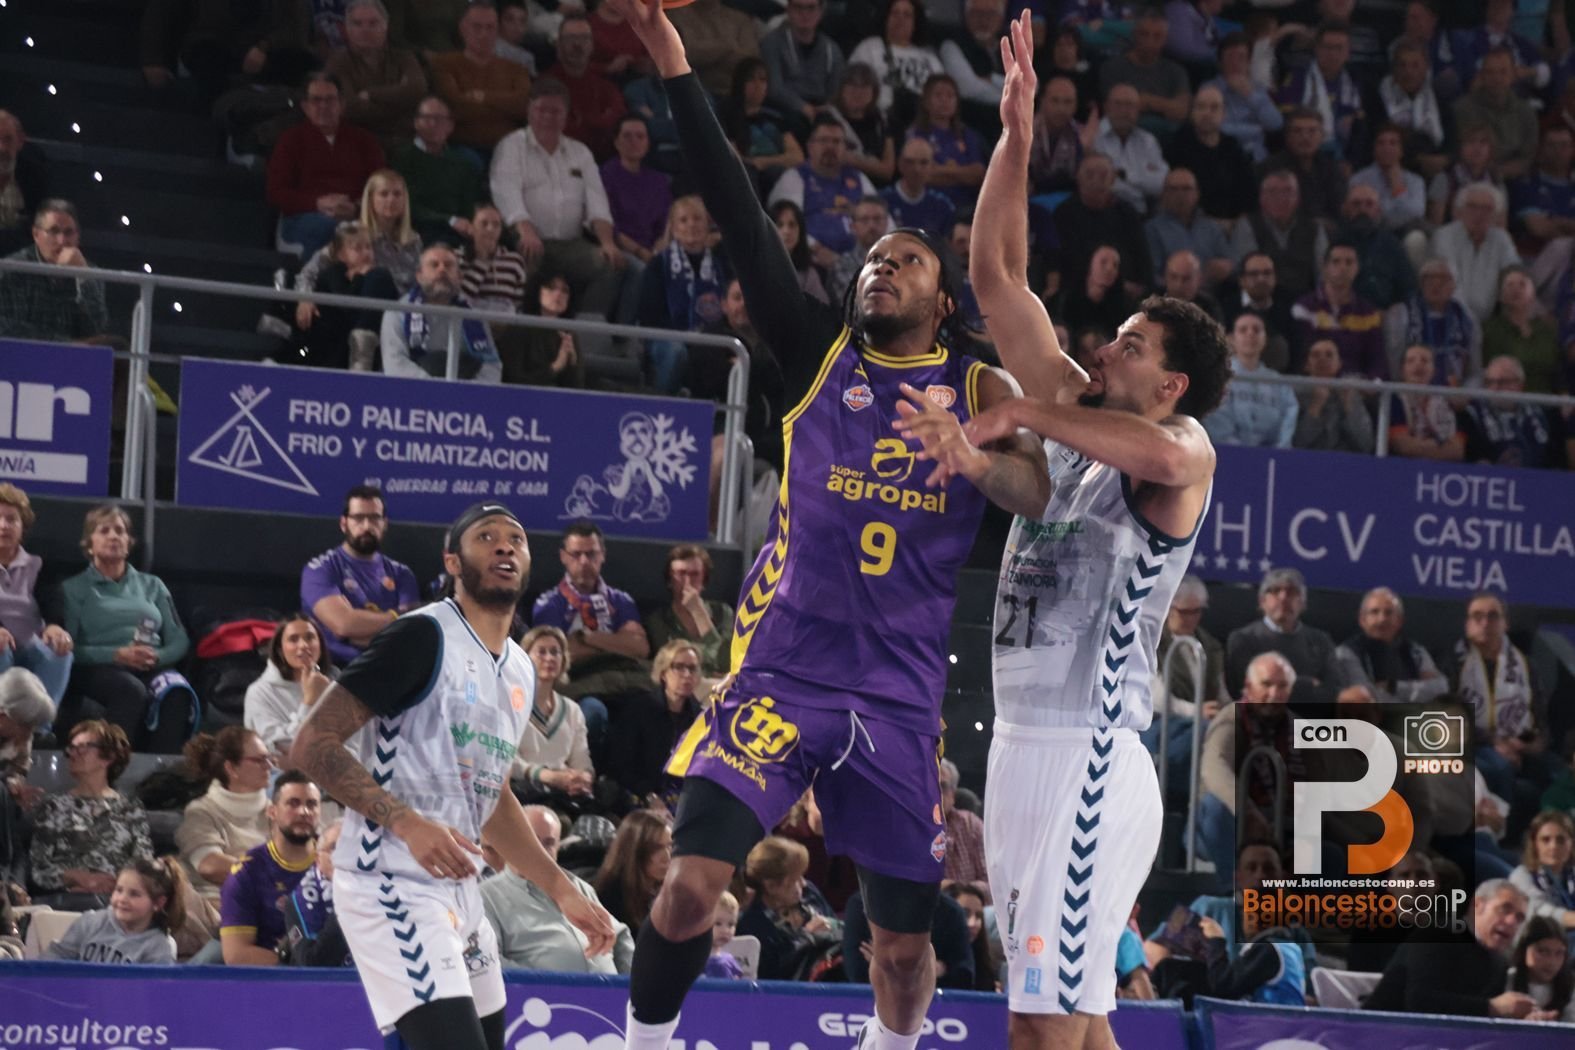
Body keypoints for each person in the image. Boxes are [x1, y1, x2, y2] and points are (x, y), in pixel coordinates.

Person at [609, 5, 1041, 1049]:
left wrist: (973, 460)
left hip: (897, 697)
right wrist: (671, 60)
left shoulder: (976, 382)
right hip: (781, 673)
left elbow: (1036, 491)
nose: (881, 268)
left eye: (907, 261)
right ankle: (640, 1044)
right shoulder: (817, 353)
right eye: (872, 260)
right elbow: (738, 207)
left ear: (943, 302)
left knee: (902, 949)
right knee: (690, 888)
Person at [897, 17, 1227, 1044]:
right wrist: (1015, 137)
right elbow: (997, 277)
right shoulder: (1078, 408)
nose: (1108, 347)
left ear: (1168, 383)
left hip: (1091, 755)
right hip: (1020, 749)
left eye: (1131, 345)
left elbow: (1161, 461)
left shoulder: (1182, 447)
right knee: (1070, 1026)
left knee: (1042, 1030)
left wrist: (1021, 412)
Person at [288, 502, 615, 1049]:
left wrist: (561, 888)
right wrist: (407, 823)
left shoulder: (519, 667)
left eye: (516, 538)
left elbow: (493, 796)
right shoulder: (421, 636)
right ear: (453, 563)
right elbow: (312, 744)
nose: (505, 545)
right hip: (389, 880)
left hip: (462, 890)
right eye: (486, 537)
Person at [58, 505, 195, 754]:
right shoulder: (73, 589)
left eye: (120, 531)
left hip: (150, 664)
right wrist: (116, 655)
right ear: (89, 544)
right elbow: (70, 648)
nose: (113, 536)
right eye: (104, 531)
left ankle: (160, 771)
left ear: (129, 543)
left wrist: (155, 657)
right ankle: (110, 765)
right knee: (130, 690)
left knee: (176, 691)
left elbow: (179, 639)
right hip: (97, 667)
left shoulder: (153, 585)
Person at [489, 78, 626, 317]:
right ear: (529, 110)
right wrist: (526, 231)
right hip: (525, 237)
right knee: (526, 261)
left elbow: (597, 202)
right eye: (542, 109)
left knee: (610, 264)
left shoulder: (580, 152)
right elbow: (506, 193)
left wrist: (607, 242)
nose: (548, 117)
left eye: (555, 111)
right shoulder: (511, 146)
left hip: (571, 242)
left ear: (566, 115)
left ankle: (586, 330)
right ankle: (523, 328)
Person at [481, 806, 634, 973]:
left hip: (608, 988)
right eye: (532, 841)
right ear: (512, 842)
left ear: (558, 847)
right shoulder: (487, 896)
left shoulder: (579, 886)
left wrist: (630, 984)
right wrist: (546, 984)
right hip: (541, 990)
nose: (540, 851)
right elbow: (490, 960)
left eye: (549, 843)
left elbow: (619, 936)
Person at [1365, 880, 1544, 1018]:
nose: (1512, 922)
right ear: (1477, 905)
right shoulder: (1437, 935)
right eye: (1504, 909)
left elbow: (1481, 1018)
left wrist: (1520, 1020)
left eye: (1519, 918)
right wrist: (1492, 1007)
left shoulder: (1499, 962)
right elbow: (1419, 1002)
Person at [28, 720, 153, 908]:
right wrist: (78, 878)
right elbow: (38, 868)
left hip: (117, 900)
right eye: (71, 748)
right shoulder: (53, 806)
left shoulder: (131, 808)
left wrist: (115, 884)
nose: (72, 754)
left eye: (82, 748)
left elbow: (143, 863)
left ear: (108, 757)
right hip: (66, 899)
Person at [1196, 653, 1295, 880]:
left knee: (1331, 851)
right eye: (1266, 685)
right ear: (1249, 687)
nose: (1274, 694)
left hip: (1279, 821)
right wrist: (1247, 811)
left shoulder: (1295, 726)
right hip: (1229, 823)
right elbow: (1214, 769)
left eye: (1282, 686)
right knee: (1215, 807)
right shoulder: (1231, 718)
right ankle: (1231, 890)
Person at [267, 73, 387, 259]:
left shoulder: (365, 141)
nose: (323, 106)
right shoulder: (290, 140)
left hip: (357, 216)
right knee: (333, 229)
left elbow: (380, 187)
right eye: (316, 100)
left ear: (342, 104)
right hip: (304, 217)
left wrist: (355, 207)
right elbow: (276, 192)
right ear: (305, 107)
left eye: (330, 100)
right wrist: (318, 204)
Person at [301, 485, 421, 669]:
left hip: (389, 667)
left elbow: (409, 632)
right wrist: (396, 616)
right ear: (344, 524)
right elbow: (344, 624)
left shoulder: (402, 574)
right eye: (358, 518)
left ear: (384, 523)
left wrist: (358, 630)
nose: (367, 526)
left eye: (374, 518)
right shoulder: (320, 569)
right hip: (335, 670)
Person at [531, 522, 651, 703]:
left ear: (602, 555)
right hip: (579, 682)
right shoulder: (549, 603)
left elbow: (639, 648)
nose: (584, 561)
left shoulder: (621, 600)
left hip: (625, 680)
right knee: (593, 709)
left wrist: (586, 637)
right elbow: (556, 654)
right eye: (576, 554)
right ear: (563, 556)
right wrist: (615, 643)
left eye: (591, 554)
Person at [217, 771, 321, 965]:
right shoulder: (247, 872)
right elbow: (237, 954)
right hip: (273, 976)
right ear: (272, 811)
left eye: (312, 804)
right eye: (293, 803)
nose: (304, 812)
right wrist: (303, 972)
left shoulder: (338, 865)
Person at [638, 194, 730, 393]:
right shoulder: (659, 265)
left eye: (697, 218)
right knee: (676, 351)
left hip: (708, 338)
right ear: (673, 228)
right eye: (683, 220)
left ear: (707, 225)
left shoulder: (720, 265)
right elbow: (649, 316)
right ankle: (662, 405)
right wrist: (687, 335)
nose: (691, 225)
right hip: (665, 337)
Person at [1147, 575, 1224, 798]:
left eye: (1197, 611)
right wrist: (1196, 711)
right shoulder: (1153, 642)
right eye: (1184, 612)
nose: (1191, 618)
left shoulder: (1210, 645)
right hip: (1162, 724)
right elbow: (1156, 698)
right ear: (1169, 608)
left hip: (1202, 721)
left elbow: (1221, 690)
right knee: (1208, 733)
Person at [176, 727, 272, 904]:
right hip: (214, 902)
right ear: (231, 768)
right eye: (260, 760)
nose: (269, 766)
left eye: (269, 758)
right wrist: (272, 876)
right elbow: (210, 866)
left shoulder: (276, 811)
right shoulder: (202, 811)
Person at [381, 242, 502, 381]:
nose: (442, 270)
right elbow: (395, 364)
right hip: (414, 391)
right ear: (419, 276)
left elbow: (492, 366)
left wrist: (467, 389)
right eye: (434, 265)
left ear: (459, 277)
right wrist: (438, 389)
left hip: (466, 390)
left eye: (448, 265)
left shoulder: (474, 317)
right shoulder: (398, 313)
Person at [769, 114, 881, 263]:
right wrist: (816, 249)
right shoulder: (795, 177)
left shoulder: (858, 178)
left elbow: (883, 220)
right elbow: (785, 226)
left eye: (836, 141)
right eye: (823, 140)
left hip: (860, 260)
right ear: (810, 147)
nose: (830, 147)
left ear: (845, 148)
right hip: (811, 259)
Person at [607, 640, 705, 804]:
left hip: (683, 797)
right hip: (640, 793)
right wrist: (649, 796)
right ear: (663, 673)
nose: (687, 674)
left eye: (692, 668)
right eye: (679, 667)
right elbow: (620, 765)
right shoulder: (639, 708)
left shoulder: (701, 718)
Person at [0, 484, 73, 703]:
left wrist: (54, 626)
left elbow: (52, 600)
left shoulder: (38, 564)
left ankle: (42, 721)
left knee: (60, 650)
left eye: (12, 519)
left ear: (23, 527)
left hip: (30, 645)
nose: (3, 526)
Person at [429, 3, 533, 154]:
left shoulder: (517, 69)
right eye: (477, 27)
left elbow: (524, 106)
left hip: (509, 147)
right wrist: (506, 105)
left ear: (497, 30)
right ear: (463, 29)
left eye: (490, 27)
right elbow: (455, 108)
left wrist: (482, 96)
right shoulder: (444, 64)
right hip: (462, 146)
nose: (484, 34)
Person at [0, 200, 110, 341]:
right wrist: (63, 343)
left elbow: (96, 329)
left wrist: (83, 276)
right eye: (53, 231)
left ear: (78, 236)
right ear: (36, 234)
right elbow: (6, 328)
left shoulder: (90, 271)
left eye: (69, 232)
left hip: (74, 355)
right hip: (22, 353)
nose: (62, 241)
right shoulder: (11, 270)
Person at [44, 856, 185, 964]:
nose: (122, 899)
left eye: (134, 894)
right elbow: (56, 957)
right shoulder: (90, 922)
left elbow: (153, 989)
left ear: (158, 903)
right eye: (119, 890)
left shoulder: (160, 946)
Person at [737, 834, 841, 980]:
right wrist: (808, 938)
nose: (803, 883)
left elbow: (842, 930)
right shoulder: (751, 926)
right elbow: (771, 975)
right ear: (771, 886)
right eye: (795, 880)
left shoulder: (809, 893)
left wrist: (832, 925)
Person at [1050, 152, 1151, 300]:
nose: (1096, 181)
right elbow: (1061, 261)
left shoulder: (1127, 213)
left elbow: (1142, 258)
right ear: (1078, 177)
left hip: (1125, 293)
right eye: (1089, 175)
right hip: (1078, 292)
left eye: (1103, 175)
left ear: (1113, 179)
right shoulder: (1064, 214)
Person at [1223, 567, 1336, 699]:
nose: (1283, 598)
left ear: (1303, 603)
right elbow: (1247, 689)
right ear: (1262, 601)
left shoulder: (1321, 640)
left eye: (1292, 592)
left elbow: (1333, 690)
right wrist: (1309, 684)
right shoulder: (1243, 639)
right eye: (1275, 591)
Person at [327, 0, 428, 147]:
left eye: (373, 23)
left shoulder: (404, 58)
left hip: (406, 140)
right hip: (360, 142)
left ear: (385, 26)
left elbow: (418, 89)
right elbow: (349, 108)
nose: (365, 29)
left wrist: (370, 93)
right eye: (357, 24)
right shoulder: (337, 62)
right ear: (347, 29)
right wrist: (402, 102)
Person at [513, 626, 595, 802]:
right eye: (541, 652)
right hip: (521, 794)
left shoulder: (572, 710)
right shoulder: (510, 703)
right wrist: (546, 776)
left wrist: (583, 777)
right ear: (525, 657)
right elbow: (504, 759)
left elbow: (581, 759)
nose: (549, 658)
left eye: (555, 652)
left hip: (563, 795)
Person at [390, 96, 484, 249]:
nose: (433, 124)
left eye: (439, 119)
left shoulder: (463, 164)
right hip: (418, 229)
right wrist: (449, 220)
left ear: (450, 126)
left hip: (459, 231)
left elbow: (468, 205)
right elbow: (407, 205)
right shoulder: (402, 159)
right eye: (427, 118)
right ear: (416, 123)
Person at [1331, 588, 1448, 704]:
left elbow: (1441, 688)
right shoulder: (1347, 653)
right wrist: (1418, 694)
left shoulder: (1415, 652)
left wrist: (1394, 687)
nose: (1382, 619)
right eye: (1374, 612)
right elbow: (1366, 698)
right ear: (1362, 620)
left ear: (1400, 621)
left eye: (1389, 613)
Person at [1292, 243, 1387, 379]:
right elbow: (1301, 356)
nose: (1343, 268)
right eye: (1336, 262)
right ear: (1325, 267)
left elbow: (1377, 361)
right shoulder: (1304, 307)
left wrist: (1371, 384)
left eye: (1349, 262)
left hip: (1356, 384)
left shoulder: (1368, 314)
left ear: (1357, 268)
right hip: (1314, 382)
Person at [642, 545, 736, 682]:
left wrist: (698, 612)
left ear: (704, 580)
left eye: (695, 574)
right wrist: (708, 670)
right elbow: (670, 663)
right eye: (681, 574)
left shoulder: (722, 612)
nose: (688, 581)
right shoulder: (658, 619)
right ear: (670, 581)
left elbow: (725, 662)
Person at [1227, 170, 1327, 299]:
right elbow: (1245, 274)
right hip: (1262, 300)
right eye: (1272, 192)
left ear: (1298, 198)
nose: (1281, 198)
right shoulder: (1248, 225)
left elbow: (1324, 275)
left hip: (1304, 302)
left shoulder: (1314, 229)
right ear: (1261, 198)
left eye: (1288, 191)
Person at [1430, 183, 1522, 323]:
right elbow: (1450, 283)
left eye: (1487, 209)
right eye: (1472, 206)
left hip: (1489, 321)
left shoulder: (1501, 238)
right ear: (1459, 211)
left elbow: (1515, 272)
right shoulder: (1444, 236)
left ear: (1496, 215)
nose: (1479, 214)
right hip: (1449, 317)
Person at [244, 615, 335, 757]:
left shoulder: (335, 682)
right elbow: (278, 749)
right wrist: (310, 702)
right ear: (280, 650)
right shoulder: (259, 693)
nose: (303, 645)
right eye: (293, 639)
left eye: (310, 637)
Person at [1461, 355, 1572, 469]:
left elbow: (1554, 459)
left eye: (1502, 382)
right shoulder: (1472, 415)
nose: (1495, 388)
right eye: (1490, 382)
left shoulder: (1543, 414)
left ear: (1520, 384)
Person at [1276, 22, 1366, 163]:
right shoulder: (1298, 78)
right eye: (1327, 47)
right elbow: (1287, 124)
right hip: (1303, 155)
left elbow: (1359, 129)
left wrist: (1350, 162)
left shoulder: (1354, 80)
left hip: (1344, 155)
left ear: (1348, 53)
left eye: (1339, 48)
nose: (1333, 54)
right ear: (1317, 49)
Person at [1204, 311, 1296, 447]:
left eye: (1256, 330)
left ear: (1265, 338)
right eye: (1243, 330)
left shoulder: (1279, 383)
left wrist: (1278, 450)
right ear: (1232, 339)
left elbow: (1288, 421)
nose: (1250, 334)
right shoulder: (1218, 377)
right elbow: (1215, 420)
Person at [1163, 86, 1253, 224]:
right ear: (1192, 113)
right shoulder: (1177, 145)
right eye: (1201, 107)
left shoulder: (1232, 147)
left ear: (1224, 114)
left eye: (1214, 108)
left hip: (1233, 225)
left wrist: (1237, 224)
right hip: (1190, 224)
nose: (1207, 113)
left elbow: (1248, 192)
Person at [1386, 259, 1481, 387]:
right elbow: (1393, 367)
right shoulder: (1401, 314)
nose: (1436, 284)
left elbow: (1474, 372)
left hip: (1455, 393)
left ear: (1454, 285)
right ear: (1420, 284)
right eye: (1429, 279)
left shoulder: (1467, 318)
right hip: (1411, 390)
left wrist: (1465, 393)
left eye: (1443, 279)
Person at [1098, 7, 1191, 136]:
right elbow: (1115, 110)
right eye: (1144, 34)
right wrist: (1165, 106)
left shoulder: (1176, 71)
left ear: (1165, 39)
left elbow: (1182, 111)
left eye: (1157, 36)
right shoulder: (1113, 68)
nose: (1149, 41)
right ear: (1134, 35)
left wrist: (1148, 101)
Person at [847, 0, 946, 120]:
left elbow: (943, 94)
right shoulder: (869, 48)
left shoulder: (930, 59)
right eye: (895, 13)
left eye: (907, 15)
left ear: (915, 23)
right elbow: (852, 89)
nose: (900, 19)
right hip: (881, 119)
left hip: (924, 123)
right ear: (886, 18)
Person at [549, 14, 629, 162]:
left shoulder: (605, 87)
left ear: (592, 44)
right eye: (570, 38)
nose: (577, 44)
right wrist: (597, 124)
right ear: (559, 44)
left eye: (584, 38)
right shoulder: (545, 86)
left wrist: (583, 123)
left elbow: (619, 122)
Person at [601, 114, 673, 272]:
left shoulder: (658, 180)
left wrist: (660, 247)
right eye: (627, 136)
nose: (634, 141)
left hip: (654, 250)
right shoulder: (605, 176)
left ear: (648, 143)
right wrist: (640, 252)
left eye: (640, 136)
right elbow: (610, 227)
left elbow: (665, 223)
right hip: (622, 249)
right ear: (616, 142)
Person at [1453, 48, 1538, 182]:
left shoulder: (1526, 112)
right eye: (1490, 72)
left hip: (1515, 180)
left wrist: (1501, 172)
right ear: (1481, 75)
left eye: (1503, 72)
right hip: (1472, 179)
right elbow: (1460, 153)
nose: (1497, 78)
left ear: (1513, 75)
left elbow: (1528, 157)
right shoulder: (1463, 109)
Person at [760, 0, 845, 127]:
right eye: (798, 7)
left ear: (821, 11)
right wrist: (803, 107)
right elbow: (774, 88)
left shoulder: (832, 50)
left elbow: (835, 92)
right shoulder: (771, 43)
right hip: (782, 113)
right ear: (788, 10)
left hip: (821, 113)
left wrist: (824, 110)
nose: (804, 14)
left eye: (811, 8)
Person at [1482, 266, 1562, 396]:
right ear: (1500, 295)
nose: (1516, 289)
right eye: (1510, 285)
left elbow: (1559, 372)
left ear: (1533, 293)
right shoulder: (1491, 330)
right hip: (1508, 400)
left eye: (1522, 284)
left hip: (1547, 401)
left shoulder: (1548, 330)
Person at [907, 74, 985, 208]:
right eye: (938, 95)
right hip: (931, 204)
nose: (944, 100)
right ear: (925, 101)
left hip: (970, 205)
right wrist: (961, 172)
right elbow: (922, 175)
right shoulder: (916, 134)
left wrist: (943, 170)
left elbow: (979, 174)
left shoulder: (966, 134)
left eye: (950, 96)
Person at [1145, 169, 1231, 289]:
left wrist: (1223, 268)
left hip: (1213, 293)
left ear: (1197, 194)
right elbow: (1152, 276)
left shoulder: (1211, 227)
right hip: (1172, 294)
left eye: (1186, 189)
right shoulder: (1152, 230)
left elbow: (1230, 264)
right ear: (1163, 194)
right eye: (1173, 189)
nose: (1180, 194)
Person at [1259, 108, 1346, 226]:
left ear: (1322, 136)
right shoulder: (1270, 169)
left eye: (1312, 131)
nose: (1305, 137)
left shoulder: (1331, 168)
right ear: (1287, 136)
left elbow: (1340, 208)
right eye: (1297, 131)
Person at [500, 270, 587, 387]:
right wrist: (554, 368)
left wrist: (572, 362)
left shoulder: (569, 333)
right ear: (537, 290)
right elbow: (512, 378)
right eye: (551, 287)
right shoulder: (519, 328)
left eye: (565, 290)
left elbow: (577, 388)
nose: (558, 294)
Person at [1206, 33, 1280, 164]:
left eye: (1241, 57)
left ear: (1249, 62)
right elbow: (1213, 127)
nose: (1235, 63)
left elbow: (1275, 124)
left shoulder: (1258, 89)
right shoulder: (1209, 89)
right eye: (1230, 57)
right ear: (1220, 62)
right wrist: (1257, 130)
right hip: (1221, 156)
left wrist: (1250, 96)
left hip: (1256, 159)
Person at [1093, 83, 1167, 213]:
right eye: (1118, 104)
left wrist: (1124, 175)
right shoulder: (1093, 137)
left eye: (1130, 105)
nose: (1124, 111)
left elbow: (1161, 183)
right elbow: (1100, 184)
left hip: (1145, 213)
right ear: (1106, 107)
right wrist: (1143, 178)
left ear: (1138, 110)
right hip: (1104, 210)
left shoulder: (1148, 141)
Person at [593, 808, 672, 930]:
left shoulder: (669, 889)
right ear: (634, 851)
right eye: (656, 848)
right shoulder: (611, 898)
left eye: (669, 846)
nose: (667, 857)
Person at [1292, 338, 1375, 453]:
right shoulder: (1295, 393)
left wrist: (1348, 406)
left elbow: (1366, 444)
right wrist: (1315, 407)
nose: (1322, 359)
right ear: (1307, 365)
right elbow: (1296, 443)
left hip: (1344, 460)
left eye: (1329, 355)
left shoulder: (1349, 393)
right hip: (1305, 458)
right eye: (1316, 355)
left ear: (1339, 364)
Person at [665, 0, 761, 98]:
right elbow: (686, 53)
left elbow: (750, 61)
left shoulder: (740, 20)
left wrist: (714, 54)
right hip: (694, 92)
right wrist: (726, 50)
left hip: (737, 96)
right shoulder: (676, 16)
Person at [1388, 343, 1466, 461]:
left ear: (1434, 369)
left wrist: (1419, 446)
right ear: (1402, 370)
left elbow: (1457, 450)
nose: (1418, 365)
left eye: (1424, 360)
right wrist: (1440, 448)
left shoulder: (1449, 401)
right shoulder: (1395, 400)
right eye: (1410, 361)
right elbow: (1403, 447)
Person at [1218, 251, 1295, 370]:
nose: (1261, 279)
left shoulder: (1286, 307)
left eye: (1267, 273)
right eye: (1254, 274)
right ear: (1242, 280)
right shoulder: (1225, 307)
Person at [1379, 39, 1446, 174]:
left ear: (1426, 68)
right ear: (1394, 69)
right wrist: (1418, 159)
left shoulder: (1439, 99)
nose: (1408, 72)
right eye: (1402, 65)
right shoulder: (1379, 99)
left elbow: (1450, 141)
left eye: (1415, 65)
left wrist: (1445, 159)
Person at [823, 63, 897, 185]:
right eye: (852, 86)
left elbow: (887, 171)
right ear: (841, 89)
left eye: (864, 87)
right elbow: (834, 158)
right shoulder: (827, 117)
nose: (858, 92)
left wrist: (854, 160)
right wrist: (871, 163)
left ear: (874, 92)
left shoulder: (882, 120)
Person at [1509, 812, 1575, 937]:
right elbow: (1539, 912)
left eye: (1561, 840)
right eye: (1546, 840)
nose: (1553, 846)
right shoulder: (1521, 876)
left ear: (1571, 844)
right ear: (1534, 844)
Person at [1027, 76, 1093, 198]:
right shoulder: (1023, 131)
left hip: (1071, 200)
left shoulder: (1083, 135)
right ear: (1043, 102)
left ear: (1075, 105)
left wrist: (1084, 150)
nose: (1061, 109)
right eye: (1055, 101)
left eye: (1068, 102)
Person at [1045, 244, 1133, 337]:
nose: (1109, 269)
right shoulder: (1063, 301)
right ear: (1089, 263)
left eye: (1115, 265)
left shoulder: (1121, 308)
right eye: (1103, 262)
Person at [881, 138, 955, 240]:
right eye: (910, 162)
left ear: (932, 166)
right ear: (900, 164)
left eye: (923, 163)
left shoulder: (943, 206)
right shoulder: (883, 201)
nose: (917, 169)